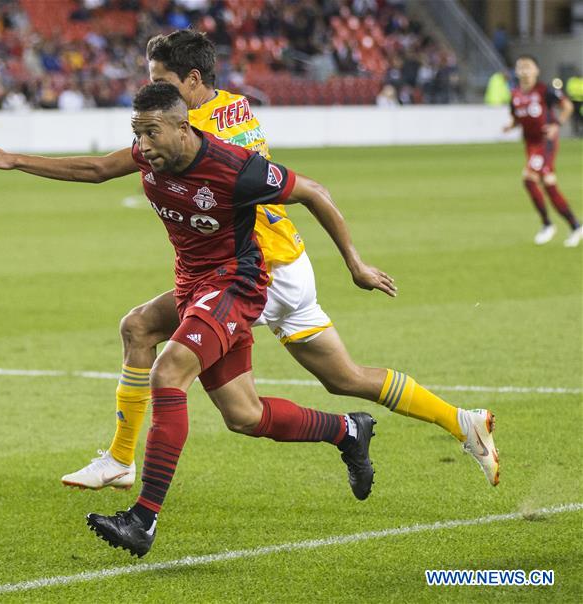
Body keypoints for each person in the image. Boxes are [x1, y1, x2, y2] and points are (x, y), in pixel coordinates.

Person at [50, 31, 498, 492]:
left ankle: (124, 461)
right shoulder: (234, 104)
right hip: (291, 261)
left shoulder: (194, 131)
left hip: (259, 272)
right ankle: (462, 421)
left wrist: (356, 264)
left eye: (161, 80)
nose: (151, 92)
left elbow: (102, 168)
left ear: (192, 79)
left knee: (146, 332)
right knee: (345, 377)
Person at [0, 82, 377, 557]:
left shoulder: (235, 169)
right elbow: (96, 168)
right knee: (240, 412)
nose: (142, 146)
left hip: (235, 285)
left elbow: (314, 192)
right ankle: (347, 430)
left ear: (184, 128)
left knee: (168, 373)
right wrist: (16, 160)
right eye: (136, 134)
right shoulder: (151, 154)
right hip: (193, 287)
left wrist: (355, 265)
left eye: (151, 134)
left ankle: (143, 519)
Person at [504, 55, 582, 247]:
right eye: (520, 67)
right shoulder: (515, 95)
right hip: (530, 145)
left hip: (545, 142)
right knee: (548, 183)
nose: (524, 71)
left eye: (528, 67)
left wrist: (557, 125)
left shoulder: (544, 90)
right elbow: (517, 118)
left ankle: (547, 224)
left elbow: (567, 106)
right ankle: (576, 225)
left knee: (529, 178)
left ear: (536, 70)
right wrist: (510, 126)